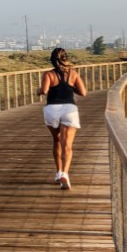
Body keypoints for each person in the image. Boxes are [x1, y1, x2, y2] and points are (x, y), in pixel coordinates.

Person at [38, 47, 87, 190]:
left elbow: (45, 90)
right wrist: (72, 88)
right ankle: (65, 173)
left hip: (52, 109)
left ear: (52, 60)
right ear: (66, 58)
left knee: (56, 140)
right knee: (67, 145)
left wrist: (38, 91)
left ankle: (58, 172)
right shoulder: (73, 74)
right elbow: (83, 92)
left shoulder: (48, 74)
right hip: (69, 109)